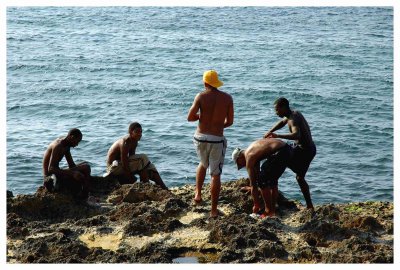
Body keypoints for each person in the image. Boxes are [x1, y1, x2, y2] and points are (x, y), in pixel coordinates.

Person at [187, 70, 234, 218]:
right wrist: (218, 125)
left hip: (200, 137)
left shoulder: (200, 96)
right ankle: (213, 211)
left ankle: (198, 194)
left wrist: (201, 117)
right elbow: (230, 122)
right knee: (215, 174)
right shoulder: (227, 98)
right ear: (216, 82)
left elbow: (190, 117)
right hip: (216, 139)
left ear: (205, 82)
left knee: (203, 162)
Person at [264, 97, 316, 210]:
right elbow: (282, 122)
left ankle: (270, 188)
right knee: (284, 159)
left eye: (277, 110)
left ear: (283, 107)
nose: (276, 112)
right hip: (304, 148)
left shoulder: (292, 120)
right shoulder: (293, 113)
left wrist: (278, 136)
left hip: (306, 151)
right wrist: (270, 131)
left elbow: (297, 135)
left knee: (298, 176)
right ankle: (309, 206)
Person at [232, 138, 292, 217]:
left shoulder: (249, 157)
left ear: (239, 157)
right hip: (288, 149)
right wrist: (252, 188)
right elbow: (256, 177)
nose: (241, 166)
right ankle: (272, 210)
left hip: (280, 152)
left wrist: (256, 205)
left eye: (238, 164)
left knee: (263, 180)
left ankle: (268, 211)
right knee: (272, 180)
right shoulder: (253, 152)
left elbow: (254, 184)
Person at [105, 122, 168, 190]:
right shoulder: (126, 142)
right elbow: (124, 162)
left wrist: (141, 170)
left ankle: (163, 187)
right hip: (113, 168)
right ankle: (145, 184)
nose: (140, 134)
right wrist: (130, 177)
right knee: (143, 158)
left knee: (150, 168)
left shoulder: (134, 141)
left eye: (141, 132)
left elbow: (132, 158)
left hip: (121, 165)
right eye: (137, 132)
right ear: (130, 132)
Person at [42, 128, 92, 200]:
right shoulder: (58, 146)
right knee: (81, 171)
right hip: (50, 179)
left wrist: (78, 172)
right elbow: (51, 169)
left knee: (86, 166)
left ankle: (86, 193)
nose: (77, 145)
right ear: (72, 137)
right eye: (77, 141)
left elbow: (71, 165)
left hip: (56, 173)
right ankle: (84, 196)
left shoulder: (66, 145)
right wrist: (72, 173)